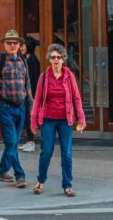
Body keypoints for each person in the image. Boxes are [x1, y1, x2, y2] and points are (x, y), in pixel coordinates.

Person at [30, 43, 85, 196]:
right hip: (48, 119)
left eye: (59, 57)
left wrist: (81, 119)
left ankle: (67, 185)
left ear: (63, 59)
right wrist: (33, 122)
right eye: (53, 57)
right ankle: (40, 181)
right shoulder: (44, 77)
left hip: (65, 120)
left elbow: (77, 98)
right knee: (46, 151)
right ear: (49, 59)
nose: (56, 60)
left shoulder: (69, 76)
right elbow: (38, 100)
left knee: (66, 153)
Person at [0, 29, 32, 188]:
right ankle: (20, 175)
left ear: (20, 45)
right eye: (9, 43)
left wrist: (31, 106)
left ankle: (2, 170)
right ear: (4, 44)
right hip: (4, 107)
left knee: (12, 142)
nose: (12, 45)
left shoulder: (23, 61)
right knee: (11, 142)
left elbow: (28, 85)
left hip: (21, 108)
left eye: (15, 43)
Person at [19, 38, 40, 153]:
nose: (21, 48)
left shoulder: (32, 60)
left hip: (30, 93)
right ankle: (29, 140)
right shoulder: (24, 59)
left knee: (29, 117)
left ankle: (31, 142)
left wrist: (34, 95)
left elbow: (34, 78)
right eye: (21, 46)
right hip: (25, 93)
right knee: (26, 117)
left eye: (23, 46)